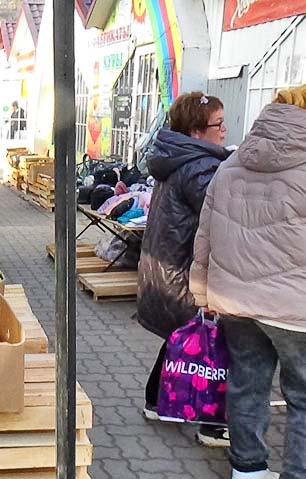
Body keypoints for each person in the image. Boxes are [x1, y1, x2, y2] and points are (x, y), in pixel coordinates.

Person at [190, 85, 306, 479]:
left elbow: (204, 233)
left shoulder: (233, 162)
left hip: (235, 299)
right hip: (295, 311)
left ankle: (248, 470)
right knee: (302, 399)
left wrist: (203, 291)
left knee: (247, 386)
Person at [136, 91, 231, 446]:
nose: (224, 130)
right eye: (218, 124)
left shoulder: (177, 158)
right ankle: (212, 423)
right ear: (196, 132)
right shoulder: (200, 167)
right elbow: (222, 220)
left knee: (183, 338)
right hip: (184, 272)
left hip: (165, 269)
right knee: (215, 345)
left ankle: (155, 401)